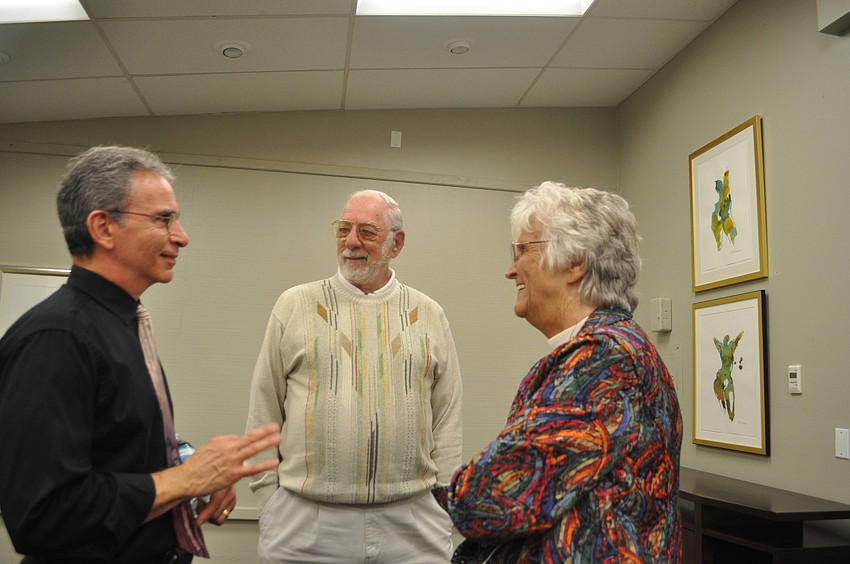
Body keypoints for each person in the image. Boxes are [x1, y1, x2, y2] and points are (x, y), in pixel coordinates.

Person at [0, 146, 281, 564]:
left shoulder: (120, 324)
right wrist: (185, 479)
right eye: (163, 219)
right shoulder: (56, 338)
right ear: (103, 228)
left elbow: (121, 442)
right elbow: (43, 515)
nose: (181, 236)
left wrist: (193, 466)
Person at [434, 181, 682, 562]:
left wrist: (437, 491)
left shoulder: (603, 359)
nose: (510, 269)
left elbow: (486, 499)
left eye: (522, 250)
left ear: (575, 262)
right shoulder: (617, 347)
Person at [246, 189, 463, 563]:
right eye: (343, 229)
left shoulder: (429, 314)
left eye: (367, 231)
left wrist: (444, 502)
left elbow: (447, 416)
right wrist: (269, 503)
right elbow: (264, 409)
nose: (351, 242)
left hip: (412, 524)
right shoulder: (294, 305)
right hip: (305, 524)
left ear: (397, 243)